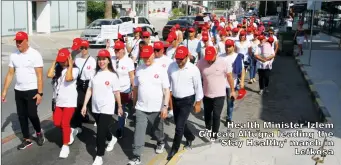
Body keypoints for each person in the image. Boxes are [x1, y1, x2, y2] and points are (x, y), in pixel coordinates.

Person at [1, 31, 45, 150]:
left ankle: (39, 132)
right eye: (17, 41)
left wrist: (40, 93)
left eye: (20, 41)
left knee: (32, 114)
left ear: (26, 41)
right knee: (21, 116)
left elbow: (40, 76)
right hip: (18, 90)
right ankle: (27, 139)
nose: (18, 43)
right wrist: (4, 91)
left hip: (32, 90)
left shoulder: (35, 55)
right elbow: (10, 74)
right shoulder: (14, 55)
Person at [128, 45, 170, 165]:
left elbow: (166, 90)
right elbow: (135, 88)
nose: (147, 59)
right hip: (141, 107)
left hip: (157, 108)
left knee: (157, 131)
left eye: (148, 57)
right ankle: (136, 156)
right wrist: (134, 103)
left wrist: (165, 106)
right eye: (144, 57)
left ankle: (160, 141)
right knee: (139, 132)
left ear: (153, 55)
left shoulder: (160, 69)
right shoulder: (139, 70)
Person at [81, 49, 122, 165]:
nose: (101, 62)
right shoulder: (94, 73)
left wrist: (119, 106)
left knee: (99, 131)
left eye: (104, 59)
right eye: (99, 59)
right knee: (102, 127)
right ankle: (112, 138)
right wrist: (84, 105)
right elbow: (89, 90)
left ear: (108, 60)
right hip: (95, 107)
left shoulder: (113, 76)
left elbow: (117, 92)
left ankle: (99, 155)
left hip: (107, 107)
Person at [167, 46, 203, 160]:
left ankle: (174, 149)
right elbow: (167, 84)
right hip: (175, 99)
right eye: (177, 58)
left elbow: (198, 87)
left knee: (178, 127)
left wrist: (198, 102)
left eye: (181, 59)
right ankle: (190, 137)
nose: (179, 61)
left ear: (187, 57)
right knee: (180, 123)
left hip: (188, 100)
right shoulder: (171, 66)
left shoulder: (193, 69)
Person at [47, 48, 79, 158]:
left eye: (63, 60)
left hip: (69, 101)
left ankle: (65, 147)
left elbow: (69, 78)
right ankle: (71, 131)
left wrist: (70, 65)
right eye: (60, 60)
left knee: (65, 123)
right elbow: (49, 75)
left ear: (68, 59)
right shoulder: (58, 68)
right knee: (56, 123)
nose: (61, 62)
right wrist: (54, 62)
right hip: (59, 102)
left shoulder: (75, 70)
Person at [197, 46, 226, 140]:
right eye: (207, 59)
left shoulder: (223, 62)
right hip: (206, 93)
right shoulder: (201, 62)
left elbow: (229, 76)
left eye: (211, 58)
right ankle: (208, 127)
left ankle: (214, 135)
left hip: (220, 94)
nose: (209, 61)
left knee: (217, 115)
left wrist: (233, 90)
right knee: (207, 114)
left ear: (216, 55)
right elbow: (196, 76)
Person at [73, 40, 97, 137]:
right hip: (80, 84)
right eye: (82, 48)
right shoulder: (77, 60)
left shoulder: (92, 60)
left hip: (89, 84)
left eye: (85, 48)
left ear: (88, 48)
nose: (83, 50)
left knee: (91, 105)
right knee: (79, 104)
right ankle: (78, 125)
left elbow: (93, 75)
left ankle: (98, 120)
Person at [111, 41, 135, 138]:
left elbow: (132, 77)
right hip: (112, 89)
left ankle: (120, 128)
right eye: (115, 49)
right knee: (114, 108)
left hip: (123, 90)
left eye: (117, 50)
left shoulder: (128, 61)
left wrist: (133, 90)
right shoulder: (112, 59)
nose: (115, 51)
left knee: (120, 109)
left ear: (122, 50)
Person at [219, 39, 245, 126]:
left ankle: (229, 118)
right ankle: (217, 117)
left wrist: (241, 81)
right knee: (219, 102)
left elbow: (242, 70)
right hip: (221, 84)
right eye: (226, 46)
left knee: (230, 102)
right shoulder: (220, 56)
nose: (227, 48)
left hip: (231, 84)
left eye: (229, 46)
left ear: (233, 47)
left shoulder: (237, 56)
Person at [153, 41, 174, 118]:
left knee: (167, 98)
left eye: (157, 50)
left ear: (162, 50)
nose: (155, 52)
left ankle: (171, 110)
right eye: (154, 50)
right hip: (155, 84)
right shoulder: (151, 59)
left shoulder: (168, 61)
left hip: (166, 85)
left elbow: (172, 73)